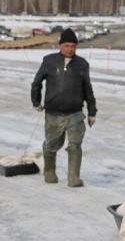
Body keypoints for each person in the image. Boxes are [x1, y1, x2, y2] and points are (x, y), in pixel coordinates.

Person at [30, 28, 97, 186]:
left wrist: (92, 112)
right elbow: (36, 83)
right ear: (60, 46)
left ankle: (73, 178)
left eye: (73, 46)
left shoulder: (82, 64)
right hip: (53, 113)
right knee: (52, 144)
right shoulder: (49, 61)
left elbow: (88, 89)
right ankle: (49, 171)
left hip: (75, 113)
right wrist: (36, 102)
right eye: (66, 45)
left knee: (75, 145)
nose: (70, 49)